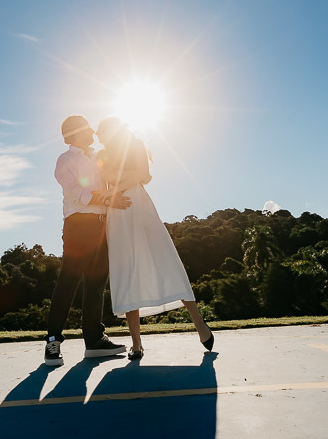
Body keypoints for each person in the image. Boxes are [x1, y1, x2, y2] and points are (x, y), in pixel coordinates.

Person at [96, 116, 214, 360]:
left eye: (105, 132)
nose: (102, 138)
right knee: (126, 271)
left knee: (165, 258)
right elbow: (110, 177)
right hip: (117, 212)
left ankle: (199, 322)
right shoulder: (102, 154)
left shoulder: (136, 144)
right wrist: (131, 176)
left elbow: (145, 175)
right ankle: (136, 344)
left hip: (139, 205)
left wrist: (124, 178)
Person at [44, 114, 131, 366]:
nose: (92, 130)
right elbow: (74, 192)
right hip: (79, 225)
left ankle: (94, 341)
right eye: (86, 128)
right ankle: (53, 341)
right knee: (68, 282)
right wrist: (105, 199)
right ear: (73, 134)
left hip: (103, 225)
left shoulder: (98, 156)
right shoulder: (66, 159)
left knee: (95, 284)